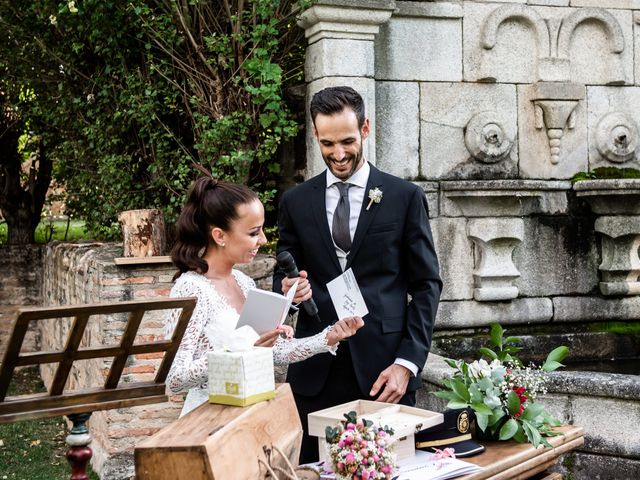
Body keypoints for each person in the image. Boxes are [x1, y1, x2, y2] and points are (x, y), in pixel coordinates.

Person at [274, 86, 442, 462]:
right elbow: (282, 275)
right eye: (328, 143)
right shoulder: (295, 202)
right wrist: (289, 291)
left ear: (365, 129)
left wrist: (406, 365)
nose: (338, 154)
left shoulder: (404, 197)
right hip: (315, 371)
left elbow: (427, 286)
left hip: (385, 374)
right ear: (315, 135)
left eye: (347, 141)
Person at [165, 176, 364, 416]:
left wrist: (328, 337)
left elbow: (276, 352)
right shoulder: (191, 289)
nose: (264, 240)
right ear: (220, 236)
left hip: (252, 413)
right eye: (253, 233)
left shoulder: (244, 282)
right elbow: (174, 379)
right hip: (209, 419)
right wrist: (240, 350)